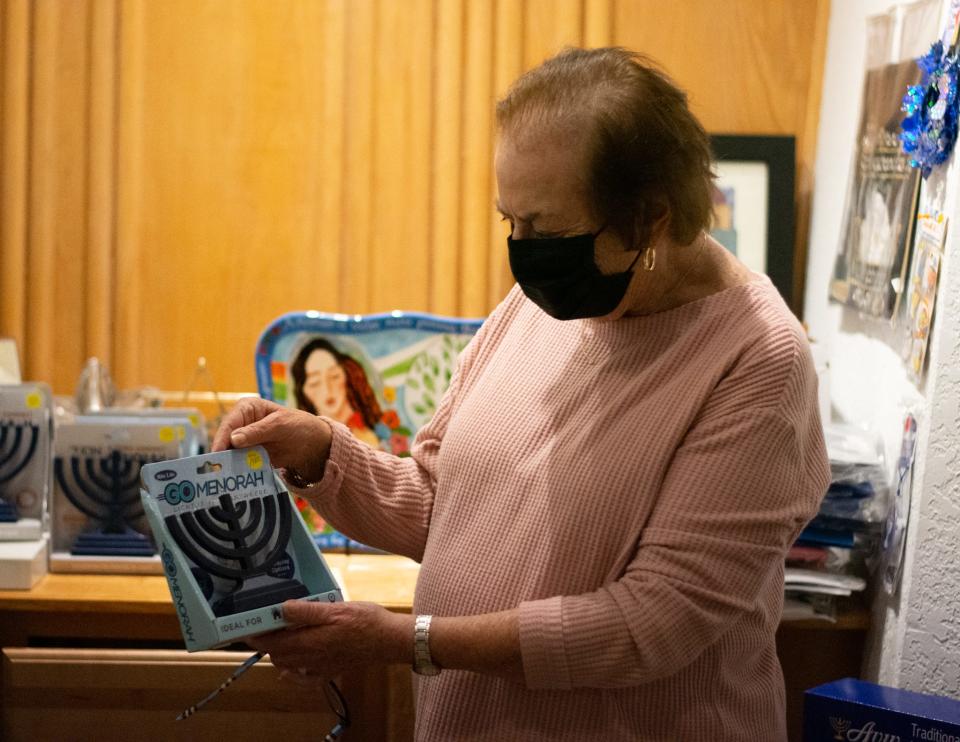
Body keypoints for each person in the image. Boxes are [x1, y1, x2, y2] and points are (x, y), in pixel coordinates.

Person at [213, 47, 829, 740]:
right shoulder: (553, 299)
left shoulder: (758, 361)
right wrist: (323, 454)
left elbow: (648, 625)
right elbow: (449, 511)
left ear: (651, 217)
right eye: (513, 222)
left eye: (546, 228)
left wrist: (409, 641)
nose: (524, 250)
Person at [290, 337, 381, 447]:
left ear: (347, 375)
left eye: (335, 376)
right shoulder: (308, 443)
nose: (327, 390)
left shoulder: (370, 436)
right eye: (315, 383)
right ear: (304, 392)